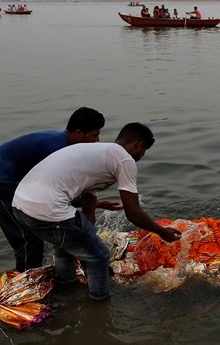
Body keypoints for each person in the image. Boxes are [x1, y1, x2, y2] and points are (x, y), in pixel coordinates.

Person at [12, 123, 182, 301]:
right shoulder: (124, 159)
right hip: (47, 209)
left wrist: (88, 234)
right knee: (99, 256)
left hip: (20, 206)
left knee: (66, 245)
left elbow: (88, 202)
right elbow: (133, 213)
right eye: (143, 151)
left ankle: (66, 290)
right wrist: (163, 232)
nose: (142, 156)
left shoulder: (97, 153)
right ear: (138, 145)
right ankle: (99, 305)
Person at [0, 107, 108, 272]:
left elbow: (57, 194)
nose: (97, 141)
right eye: (95, 135)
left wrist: (92, 203)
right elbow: (55, 193)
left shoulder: (64, 145)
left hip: (17, 180)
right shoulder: (56, 150)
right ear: (79, 133)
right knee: (26, 238)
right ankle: (26, 287)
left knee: (41, 230)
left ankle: (39, 275)